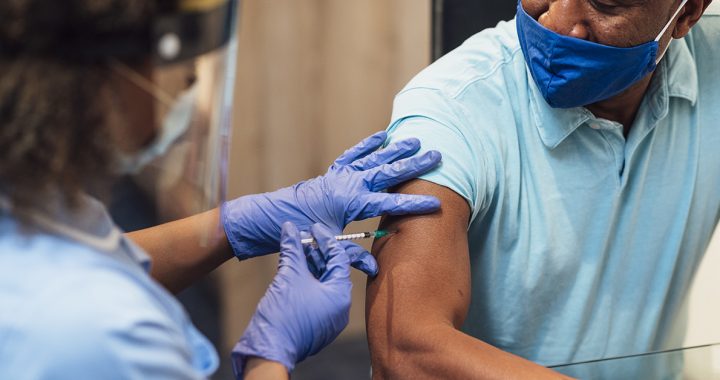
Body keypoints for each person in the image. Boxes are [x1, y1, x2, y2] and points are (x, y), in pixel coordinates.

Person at [0, 1, 442, 379]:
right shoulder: (109, 338)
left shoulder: (30, 206)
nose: (191, 79)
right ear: (100, 77)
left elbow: (93, 258)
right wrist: (268, 356)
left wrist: (234, 226)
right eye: (170, 55)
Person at [366, 0, 719, 378]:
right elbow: (406, 348)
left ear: (685, 14)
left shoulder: (711, 61)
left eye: (605, 3)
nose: (558, 20)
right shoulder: (452, 106)